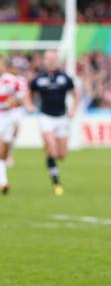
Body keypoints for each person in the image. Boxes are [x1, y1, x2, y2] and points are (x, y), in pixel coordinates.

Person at [30, 50, 80, 196]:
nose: (51, 61)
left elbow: (75, 94)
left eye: (53, 58)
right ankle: (55, 182)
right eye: (48, 58)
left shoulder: (65, 77)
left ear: (57, 60)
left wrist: (73, 110)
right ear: (44, 60)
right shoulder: (38, 78)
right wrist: (30, 105)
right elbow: (28, 92)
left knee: (61, 155)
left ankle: (50, 150)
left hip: (62, 117)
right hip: (46, 117)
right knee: (51, 149)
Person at [0, 58, 31, 195]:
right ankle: (4, 182)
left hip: (8, 117)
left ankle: (3, 180)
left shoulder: (12, 80)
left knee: (4, 153)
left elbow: (22, 97)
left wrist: (18, 102)